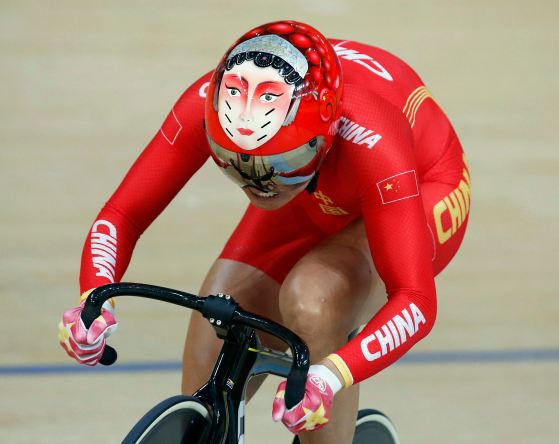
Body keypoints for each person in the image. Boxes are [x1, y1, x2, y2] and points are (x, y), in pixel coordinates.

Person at [58, 20, 470, 443]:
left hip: (419, 187)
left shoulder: (372, 136)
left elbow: (416, 302)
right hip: (313, 190)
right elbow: (122, 215)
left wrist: (330, 376)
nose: (259, 183)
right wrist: (92, 297)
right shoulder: (211, 102)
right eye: (236, 161)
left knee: (314, 301)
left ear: (322, 135)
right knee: (219, 318)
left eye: (278, 162)